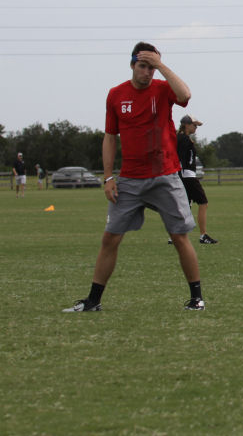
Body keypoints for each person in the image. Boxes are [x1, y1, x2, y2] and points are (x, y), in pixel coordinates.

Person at [63, 42, 205, 313]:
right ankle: (93, 301)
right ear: (132, 65)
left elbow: (185, 94)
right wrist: (108, 177)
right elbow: (109, 137)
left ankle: (197, 298)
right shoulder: (116, 95)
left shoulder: (163, 89)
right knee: (110, 238)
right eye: (143, 66)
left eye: (152, 67)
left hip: (164, 176)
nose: (147, 72)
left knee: (179, 237)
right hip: (129, 179)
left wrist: (161, 65)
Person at [177, 114, 218, 244]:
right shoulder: (183, 139)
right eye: (194, 125)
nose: (196, 128)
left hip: (184, 175)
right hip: (187, 176)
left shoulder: (181, 138)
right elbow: (180, 158)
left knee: (186, 205)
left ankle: (176, 235)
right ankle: (203, 235)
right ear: (186, 125)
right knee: (203, 203)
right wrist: (180, 174)